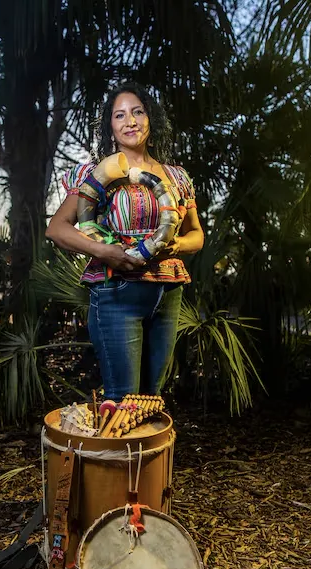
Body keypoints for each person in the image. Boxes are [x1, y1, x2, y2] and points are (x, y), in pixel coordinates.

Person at [45, 83, 204, 401]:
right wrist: (105, 252)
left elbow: (196, 235)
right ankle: (118, 452)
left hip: (168, 294)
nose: (130, 121)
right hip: (117, 293)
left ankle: (146, 452)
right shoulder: (95, 174)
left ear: (150, 118)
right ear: (110, 127)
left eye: (138, 111)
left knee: (150, 399)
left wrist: (175, 247)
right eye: (120, 115)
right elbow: (57, 229)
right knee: (122, 399)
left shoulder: (176, 177)